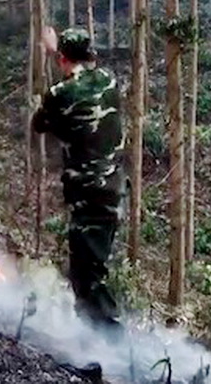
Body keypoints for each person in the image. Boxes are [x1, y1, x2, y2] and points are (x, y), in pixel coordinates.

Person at [31, 26, 125, 331]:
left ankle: (109, 342)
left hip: (88, 194)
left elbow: (40, 123)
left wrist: (51, 55)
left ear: (62, 58)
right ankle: (96, 338)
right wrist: (58, 53)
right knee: (92, 268)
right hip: (113, 189)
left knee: (87, 276)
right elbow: (87, 76)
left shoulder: (60, 94)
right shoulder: (109, 81)